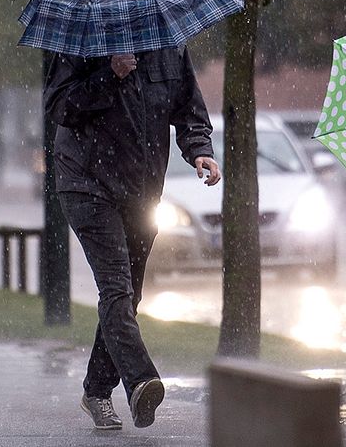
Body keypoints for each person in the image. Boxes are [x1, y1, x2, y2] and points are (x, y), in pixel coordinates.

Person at [44, 46, 221, 430]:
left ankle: (95, 391)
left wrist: (200, 151)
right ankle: (141, 381)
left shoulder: (170, 47)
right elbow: (59, 106)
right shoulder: (84, 43)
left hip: (141, 190)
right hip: (87, 183)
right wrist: (109, 74)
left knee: (128, 295)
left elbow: (188, 107)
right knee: (116, 289)